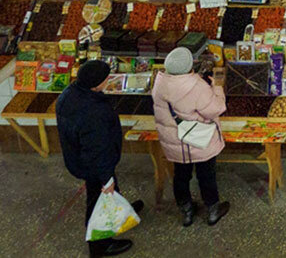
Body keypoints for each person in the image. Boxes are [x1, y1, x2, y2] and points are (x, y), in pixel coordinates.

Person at [56, 60, 143, 258]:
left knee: (108, 190)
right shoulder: (94, 112)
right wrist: (106, 179)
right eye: (106, 79)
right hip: (93, 164)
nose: (108, 81)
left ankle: (121, 208)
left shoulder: (69, 95)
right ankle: (99, 246)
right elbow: (97, 149)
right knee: (97, 198)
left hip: (78, 157)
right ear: (96, 84)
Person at [152, 47, 230, 227]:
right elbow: (216, 109)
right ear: (189, 67)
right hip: (199, 140)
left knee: (180, 175)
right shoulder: (196, 86)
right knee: (206, 175)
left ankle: (186, 211)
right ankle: (212, 210)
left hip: (175, 140)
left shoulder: (159, 83)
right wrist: (217, 88)